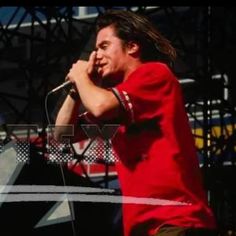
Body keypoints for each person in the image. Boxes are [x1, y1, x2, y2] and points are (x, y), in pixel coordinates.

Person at [55, 9, 217, 236]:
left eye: (104, 47)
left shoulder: (154, 74)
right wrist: (75, 91)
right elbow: (63, 134)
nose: (96, 56)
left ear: (132, 47)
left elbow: (100, 107)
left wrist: (82, 78)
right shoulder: (116, 103)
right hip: (142, 228)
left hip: (175, 223)